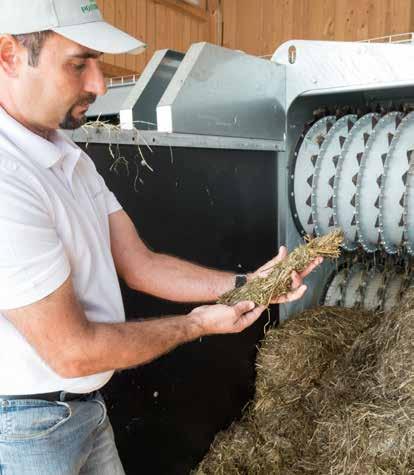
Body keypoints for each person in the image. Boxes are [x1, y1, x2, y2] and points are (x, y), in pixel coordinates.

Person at [0, 1, 322, 474]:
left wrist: (249, 283)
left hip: (82, 409)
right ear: (8, 55)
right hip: (25, 427)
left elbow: (140, 263)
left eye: (98, 62)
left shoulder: (70, 158)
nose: (100, 84)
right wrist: (195, 325)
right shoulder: (7, 178)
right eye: (78, 63)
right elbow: (72, 351)